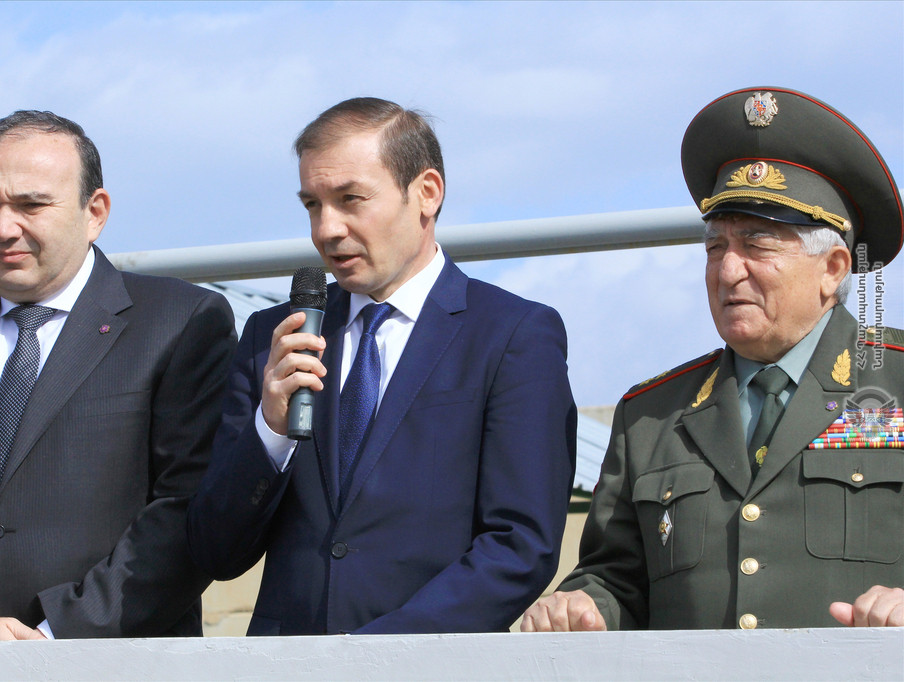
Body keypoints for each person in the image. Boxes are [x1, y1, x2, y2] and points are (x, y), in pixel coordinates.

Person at [187, 97, 577, 635]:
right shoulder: (273, 339)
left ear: (427, 193)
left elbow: (520, 546)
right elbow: (214, 551)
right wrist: (270, 434)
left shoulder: (513, 335)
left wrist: (378, 655)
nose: (327, 229)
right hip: (286, 666)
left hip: (430, 666)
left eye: (351, 199)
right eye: (312, 205)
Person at [522, 87, 904, 633]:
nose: (727, 272)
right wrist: (584, 606)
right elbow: (615, 579)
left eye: (758, 245)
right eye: (715, 247)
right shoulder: (651, 415)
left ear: (833, 268)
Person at [0, 111, 237, 641]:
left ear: (95, 212)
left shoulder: (182, 322)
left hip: (114, 662)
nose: (3, 228)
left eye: (31, 205)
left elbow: (185, 508)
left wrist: (56, 638)